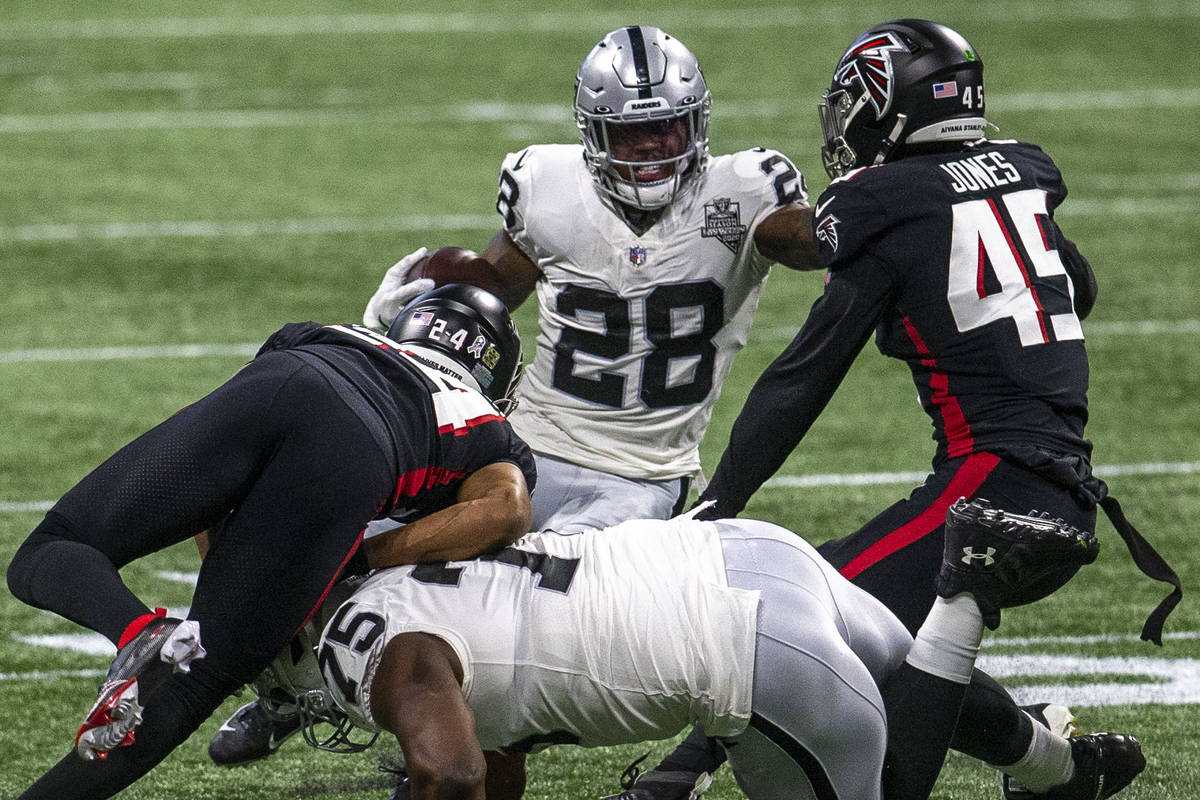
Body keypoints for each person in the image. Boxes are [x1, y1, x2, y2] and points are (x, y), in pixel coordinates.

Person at [210, 22, 824, 766]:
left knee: (517, 618)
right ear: (595, 135)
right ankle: (287, 692)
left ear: (696, 123)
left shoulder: (745, 190)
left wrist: (865, 209)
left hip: (639, 480)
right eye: (632, 136)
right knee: (340, 522)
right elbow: (500, 288)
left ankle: (464, 742)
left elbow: (808, 238)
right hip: (523, 441)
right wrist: (419, 305)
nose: (655, 150)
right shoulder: (548, 188)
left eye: (667, 130)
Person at [623, 18, 1179, 800]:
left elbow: (803, 375)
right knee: (883, 632)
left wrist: (721, 500)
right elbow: (1074, 289)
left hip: (988, 488)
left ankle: (675, 778)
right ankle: (1060, 769)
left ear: (888, 106)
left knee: (791, 611)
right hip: (1056, 487)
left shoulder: (883, 200)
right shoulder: (1016, 172)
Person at [6, 284, 537, 799]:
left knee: (52, 547)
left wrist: (223, 570)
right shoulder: (483, 420)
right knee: (197, 679)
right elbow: (505, 511)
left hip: (287, 373)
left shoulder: (332, 332)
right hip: (361, 445)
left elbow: (205, 437)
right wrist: (361, 557)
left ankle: (137, 631)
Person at [297, 498, 1135, 800]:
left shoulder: (362, 645)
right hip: (740, 550)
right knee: (900, 673)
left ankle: (966, 594)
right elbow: (493, 757)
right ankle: (1060, 772)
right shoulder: (416, 552)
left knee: (886, 782)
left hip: (743, 642)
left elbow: (454, 771)